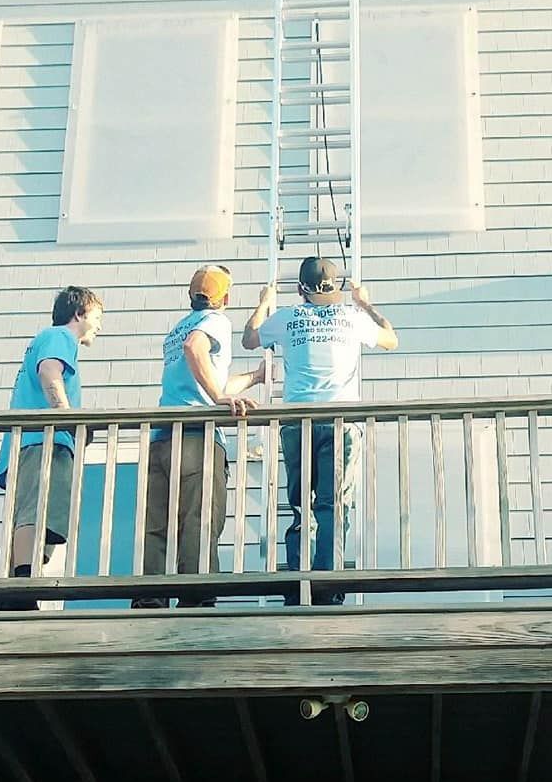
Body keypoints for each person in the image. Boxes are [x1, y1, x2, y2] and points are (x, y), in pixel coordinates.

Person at [242, 255, 399, 604]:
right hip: (341, 421)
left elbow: (249, 339)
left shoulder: (287, 317)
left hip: (298, 420)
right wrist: (366, 304)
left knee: (301, 505)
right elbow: (391, 339)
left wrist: (264, 304)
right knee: (335, 505)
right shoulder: (351, 316)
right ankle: (328, 587)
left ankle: (300, 585)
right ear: (337, 289)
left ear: (300, 290)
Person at [134, 266, 265, 608]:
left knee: (157, 523)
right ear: (225, 298)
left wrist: (253, 378)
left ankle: (151, 599)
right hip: (196, 436)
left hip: (163, 435)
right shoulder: (216, 321)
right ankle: (196, 598)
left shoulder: (179, 328)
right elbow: (197, 351)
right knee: (199, 518)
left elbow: (204, 374)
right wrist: (221, 400)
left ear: (190, 296)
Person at [0, 285, 103, 578]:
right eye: (97, 316)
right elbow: (49, 373)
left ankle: (5, 586)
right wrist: (68, 420)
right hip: (42, 441)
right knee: (35, 511)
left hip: (28, 442)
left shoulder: (44, 340)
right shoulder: (60, 336)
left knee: (26, 517)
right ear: (79, 313)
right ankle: (21, 583)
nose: (99, 325)